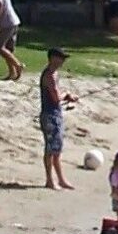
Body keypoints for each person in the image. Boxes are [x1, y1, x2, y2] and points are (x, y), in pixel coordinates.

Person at [37, 47, 74, 190]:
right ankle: (49, 180)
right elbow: (55, 97)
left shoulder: (55, 74)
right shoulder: (48, 76)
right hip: (49, 116)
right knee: (50, 149)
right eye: (61, 58)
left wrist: (66, 96)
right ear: (53, 58)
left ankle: (61, 179)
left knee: (57, 149)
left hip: (56, 114)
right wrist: (67, 96)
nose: (63, 61)